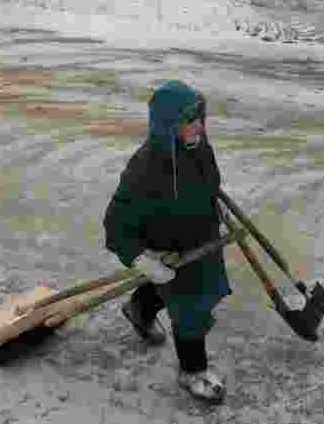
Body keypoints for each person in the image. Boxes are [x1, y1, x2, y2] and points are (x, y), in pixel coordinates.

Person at [103, 80, 230, 404]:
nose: (200, 126)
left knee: (188, 288)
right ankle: (193, 370)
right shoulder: (144, 168)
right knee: (190, 308)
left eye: (201, 117)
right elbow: (115, 225)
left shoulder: (199, 147)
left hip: (201, 238)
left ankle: (139, 308)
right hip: (168, 248)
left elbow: (210, 182)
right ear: (169, 125)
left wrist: (216, 204)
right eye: (191, 120)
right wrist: (142, 259)